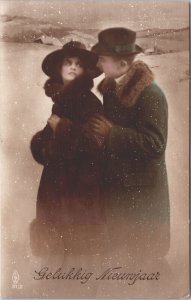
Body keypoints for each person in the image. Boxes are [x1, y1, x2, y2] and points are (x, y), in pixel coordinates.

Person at [90, 27, 170, 264]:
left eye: (103, 60)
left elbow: (155, 144)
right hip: (119, 189)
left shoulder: (151, 95)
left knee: (145, 260)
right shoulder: (112, 88)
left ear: (123, 65)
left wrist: (111, 133)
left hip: (142, 193)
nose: (99, 66)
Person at [30, 41, 106, 257]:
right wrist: (42, 144)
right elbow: (49, 140)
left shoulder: (90, 103)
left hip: (79, 193)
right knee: (57, 256)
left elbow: (96, 145)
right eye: (68, 62)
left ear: (85, 71)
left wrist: (62, 128)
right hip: (58, 190)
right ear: (59, 68)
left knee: (77, 257)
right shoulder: (61, 102)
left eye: (78, 64)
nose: (72, 67)